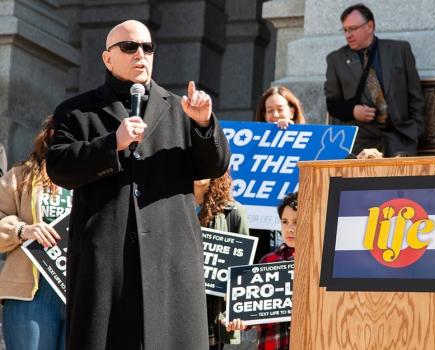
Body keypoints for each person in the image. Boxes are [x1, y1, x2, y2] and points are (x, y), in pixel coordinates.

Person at [45, 20, 230, 350]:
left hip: (170, 259)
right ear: (107, 58)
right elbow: (59, 168)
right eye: (129, 47)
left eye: (147, 48)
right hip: (107, 264)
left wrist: (204, 125)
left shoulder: (180, 108)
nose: (140, 54)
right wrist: (111, 144)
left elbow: (214, 166)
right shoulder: (77, 112)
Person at [0, 116, 69, 350]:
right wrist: (23, 230)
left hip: (77, 291)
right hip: (30, 294)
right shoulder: (20, 176)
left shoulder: (89, 180)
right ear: (50, 135)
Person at [324, 3, 425, 157]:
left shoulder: (399, 50)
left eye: (352, 29)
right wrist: (353, 111)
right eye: (345, 30)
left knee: (402, 181)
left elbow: (416, 94)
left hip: (400, 137)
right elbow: (332, 104)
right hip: (361, 141)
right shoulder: (336, 59)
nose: (348, 35)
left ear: (370, 26)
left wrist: (416, 131)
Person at [226, 192, 298, 350]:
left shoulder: (317, 264)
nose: (289, 228)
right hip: (271, 345)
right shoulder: (267, 261)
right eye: (284, 222)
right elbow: (252, 310)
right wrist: (240, 320)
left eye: (296, 222)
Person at [194, 171, 249, 349]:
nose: (199, 167)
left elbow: (240, 276)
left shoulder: (234, 213)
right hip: (174, 310)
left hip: (211, 314)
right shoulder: (167, 208)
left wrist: (237, 311)